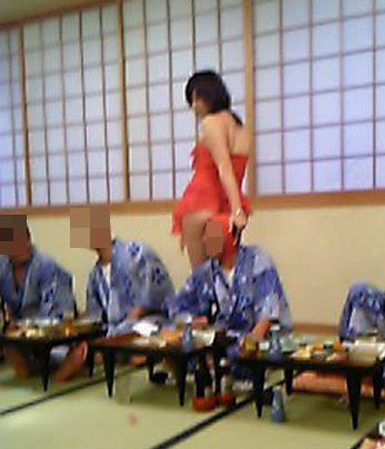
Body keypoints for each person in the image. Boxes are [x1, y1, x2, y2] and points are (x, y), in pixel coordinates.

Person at [54, 207, 175, 381]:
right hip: (114, 330)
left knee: (141, 332)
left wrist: (136, 314)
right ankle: (104, 354)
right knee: (87, 340)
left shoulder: (137, 252)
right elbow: (95, 316)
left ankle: (101, 355)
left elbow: (159, 293)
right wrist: (80, 324)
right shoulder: (94, 276)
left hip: (146, 322)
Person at [171, 214, 292, 378]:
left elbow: (269, 309)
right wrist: (192, 322)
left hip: (260, 336)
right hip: (224, 336)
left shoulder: (257, 259)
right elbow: (180, 305)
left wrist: (252, 340)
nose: (205, 241)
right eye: (205, 236)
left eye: (212, 236)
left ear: (230, 239)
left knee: (245, 359)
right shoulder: (207, 271)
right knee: (183, 353)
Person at [172, 70, 251, 269]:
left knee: (202, 277)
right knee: (227, 275)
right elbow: (237, 171)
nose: (193, 106)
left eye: (195, 99)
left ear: (206, 95)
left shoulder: (211, 123)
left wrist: (237, 211)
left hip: (202, 204)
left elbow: (224, 168)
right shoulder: (242, 129)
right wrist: (236, 210)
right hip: (227, 208)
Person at [0, 215, 75, 379]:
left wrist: (24, 328)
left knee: (55, 350)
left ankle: (65, 363)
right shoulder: (3, 266)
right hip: (18, 335)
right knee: (8, 344)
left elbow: (57, 313)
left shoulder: (46, 267)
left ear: (28, 240)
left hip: (49, 331)